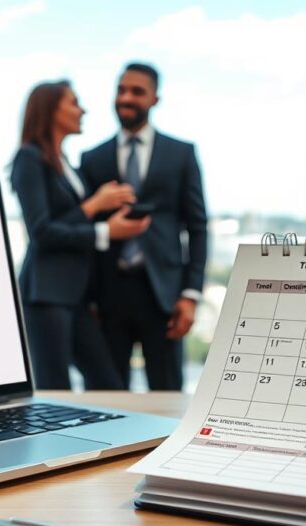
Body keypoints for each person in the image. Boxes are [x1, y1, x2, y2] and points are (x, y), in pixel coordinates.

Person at [11, 80, 150, 390]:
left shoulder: (65, 164)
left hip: (76, 295)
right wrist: (100, 219)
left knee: (108, 385)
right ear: (50, 110)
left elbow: (70, 220)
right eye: (74, 102)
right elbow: (41, 232)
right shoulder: (29, 159)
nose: (82, 110)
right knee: (55, 388)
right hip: (46, 293)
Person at [80, 63, 208, 391]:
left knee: (167, 399)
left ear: (155, 99)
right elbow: (86, 232)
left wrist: (190, 295)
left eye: (137, 91)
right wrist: (88, 298)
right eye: (121, 90)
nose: (126, 98)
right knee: (107, 399)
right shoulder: (92, 158)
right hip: (108, 296)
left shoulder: (181, 153)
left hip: (163, 295)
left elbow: (197, 226)